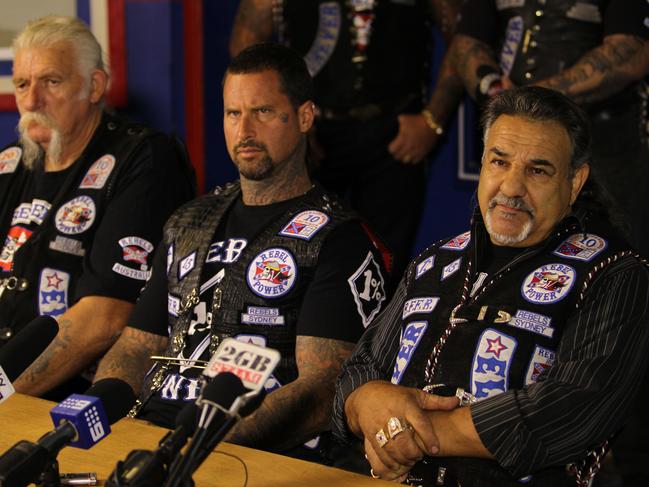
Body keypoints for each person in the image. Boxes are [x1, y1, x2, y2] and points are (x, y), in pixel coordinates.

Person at [332, 87, 649, 486]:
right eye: (499, 162)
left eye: (537, 170)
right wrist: (368, 399)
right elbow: (357, 374)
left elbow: (574, 409)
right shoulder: (435, 260)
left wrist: (410, 433)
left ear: (575, 181)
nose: (512, 188)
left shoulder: (614, 273)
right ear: (482, 165)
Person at [93, 43, 390, 463]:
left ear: (305, 117)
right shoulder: (188, 220)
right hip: (147, 437)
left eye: (263, 112)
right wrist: (99, 414)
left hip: (243, 453)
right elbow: (135, 346)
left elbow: (323, 391)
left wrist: (199, 445)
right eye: (234, 114)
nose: (245, 130)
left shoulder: (339, 238)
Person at [0, 16, 195, 399]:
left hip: (66, 400)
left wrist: (2, 394)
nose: (32, 100)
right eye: (22, 84)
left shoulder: (142, 159)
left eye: (51, 81)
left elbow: (105, 319)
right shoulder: (8, 165)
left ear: (95, 85)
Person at [229, 0, 466, 281]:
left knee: (385, 268)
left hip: (396, 134)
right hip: (315, 136)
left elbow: (464, 39)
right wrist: (290, 124)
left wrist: (432, 120)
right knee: (296, 255)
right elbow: (247, 43)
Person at [447, 0, 649, 256]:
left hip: (603, 146)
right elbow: (466, 42)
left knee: (618, 251)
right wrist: (492, 86)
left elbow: (630, 51)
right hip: (514, 136)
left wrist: (535, 97)